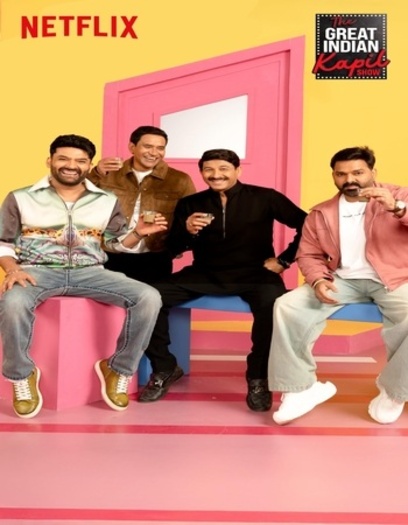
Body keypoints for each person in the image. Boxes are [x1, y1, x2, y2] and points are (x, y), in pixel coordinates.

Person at [0, 134, 167, 419]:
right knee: (13, 302)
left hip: (90, 272)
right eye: (63, 158)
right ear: (49, 161)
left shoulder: (106, 200)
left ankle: (118, 368)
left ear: (89, 165)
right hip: (37, 271)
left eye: (80, 161)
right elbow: (3, 241)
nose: (71, 165)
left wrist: (138, 233)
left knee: (149, 296)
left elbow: (114, 243)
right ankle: (21, 375)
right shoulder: (21, 197)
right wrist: (13, 269)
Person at [137, 148, 307, 411]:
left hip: (256, 273)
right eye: (209, 170)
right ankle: (165, 367)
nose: (216, 175)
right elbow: (173, 247)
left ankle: (258, 377)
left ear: (238, 170)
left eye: (223, 169)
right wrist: (187, 230)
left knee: (273, 307)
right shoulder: (190, 203)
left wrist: (284, 260)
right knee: (148, 297)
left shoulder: (265, 197)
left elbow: (308, 225)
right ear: (202, 172)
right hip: (205, 272)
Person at [268, 146, 408, 425]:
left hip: (394, 278)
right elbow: (308, 254)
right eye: (341, 174)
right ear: (333, 176)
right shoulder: (321, 212)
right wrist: (319, 279)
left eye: (358, 172)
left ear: (373, 172)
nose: (349, 179)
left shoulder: (399, 196)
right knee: (287, 305)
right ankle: (300, 388)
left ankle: (394, 390)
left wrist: (397, 208)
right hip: (341, 280)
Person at [87, 125, 196, 284]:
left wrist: (176, 248)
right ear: (132, 147)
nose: (154, 153)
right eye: (148, 146)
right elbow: (79, 200)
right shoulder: (108, 173)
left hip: (155, 257)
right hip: (109, 253)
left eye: (160, 148)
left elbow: (189, 217)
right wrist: (96, 173)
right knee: (107, 299)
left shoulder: (180, 180)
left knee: (153, 299)